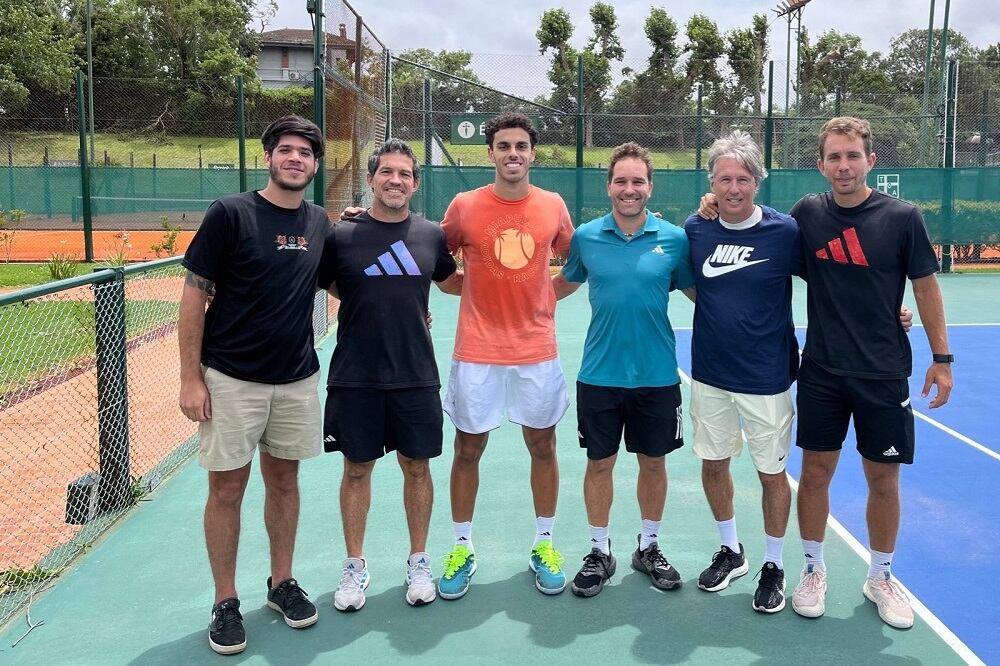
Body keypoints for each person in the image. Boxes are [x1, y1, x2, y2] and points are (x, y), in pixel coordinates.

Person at [788, 117, 952, 629]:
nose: (844, 166)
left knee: (884, 478)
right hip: (821, 371)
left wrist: (942, 360)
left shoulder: (902, 218)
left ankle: (880, 576)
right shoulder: (807, 215)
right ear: (821, 165)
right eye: (834, 157)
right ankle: (813, 570)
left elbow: (925, 288)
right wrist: (710, 207)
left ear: (870, 161)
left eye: (852, 156)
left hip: (883, 373)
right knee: (814, 474)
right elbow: (767, 246)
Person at [178, 115, 326, 655]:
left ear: (315, 164)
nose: (295, 159)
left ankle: (281, 583)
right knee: (227, 489)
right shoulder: (231, 213)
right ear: (269, 157)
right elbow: (195, 294)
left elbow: (345, 276)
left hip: (295, 381)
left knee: (284, 483)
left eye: (305, 153)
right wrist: (190, 377)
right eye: (285, 150)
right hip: (230, 379)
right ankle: (224, 600)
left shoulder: (320, 223)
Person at [436, 112, 576, 599]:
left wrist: (545, 297)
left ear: (532, 153)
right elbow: (437, 256)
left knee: (543, 446)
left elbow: (575, 262)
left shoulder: (553, 205)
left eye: (521, 146)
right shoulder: (465, 206)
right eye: (503, 146)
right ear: (490, 153)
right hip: (476, 350)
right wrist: (461, 287)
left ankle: (543, 544)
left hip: (535, 350)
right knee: (467, 448)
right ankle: (461, 547)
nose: (512, 154)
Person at [319, 139, 459, 612]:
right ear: (372, 179)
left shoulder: (431, 235)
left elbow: (444, 279)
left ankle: (419, 561)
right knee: (356, 469)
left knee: (416, 467)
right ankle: (354, 565)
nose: (395, 180)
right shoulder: (341, 236)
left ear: (415, 184)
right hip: (355, 376)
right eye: (387, 172)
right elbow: (334, 282)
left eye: (405, 174)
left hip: (416, 375)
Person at [552, 142, 694, 598]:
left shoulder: (674, 239)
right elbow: (559, 286)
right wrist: (499, 297)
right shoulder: (587, 238)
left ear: (649, 186)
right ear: (608, 185)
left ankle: (648, 546)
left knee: (653, 463)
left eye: (638, 181)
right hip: (599, 376)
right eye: (621, 181)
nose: (629, 189)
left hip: (657, 376)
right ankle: (599, 551)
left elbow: (700, 295)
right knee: (600, 462)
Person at [684, 131, 800, 613]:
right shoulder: (696, 228)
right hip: (710, 375)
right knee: (714, 464)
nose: (733, 188)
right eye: (724, 179)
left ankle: (773, 563)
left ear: (758, 181)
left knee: (772, 474)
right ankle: (732, 551)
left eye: (743, 178)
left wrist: (889, 309)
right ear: (711, 182)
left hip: (767, 379)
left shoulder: (785, 233)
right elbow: (691, 287)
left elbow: (838, 280)